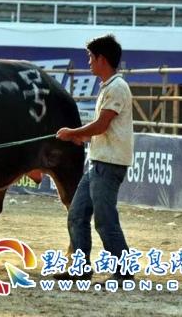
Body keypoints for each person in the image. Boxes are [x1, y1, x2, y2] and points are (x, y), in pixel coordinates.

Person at [55, 34, 134, 284]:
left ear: (102, 59)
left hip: (108, 165)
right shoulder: (110, 87)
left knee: (104, 218)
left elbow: (101, 125)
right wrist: (82, 138)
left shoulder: (117, 88)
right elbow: (105, 130)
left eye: (91, 57)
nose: (88, 61)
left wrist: (72, 134)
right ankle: (81, 269)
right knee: (77, 214)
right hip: (99, 161)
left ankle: (123, 272)